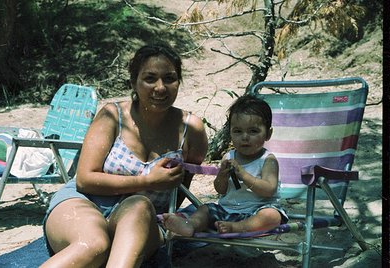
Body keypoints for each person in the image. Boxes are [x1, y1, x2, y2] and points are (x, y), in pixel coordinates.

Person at [41, 43, 208, 267]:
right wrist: (147, 181)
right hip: (85, 204)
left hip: (141, 218)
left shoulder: (192, 129)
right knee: (93, 245)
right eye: (150, 78)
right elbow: (85, 179)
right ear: (134, 82)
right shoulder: (112, 116)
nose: (160, 87)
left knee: (139, 204)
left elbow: (177, 194)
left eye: (169, 78)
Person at [162, 95, 288, 236]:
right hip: (227, 211)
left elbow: (269, 190)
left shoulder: (268, 160)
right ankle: (190, 225)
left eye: (253, 131)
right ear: (230, 133)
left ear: (268, 134)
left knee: (272, 216)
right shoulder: (229, 157)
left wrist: (244, 176)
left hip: (258, 210)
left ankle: (236, 227)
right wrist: (222, 175)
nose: (245, 137)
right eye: (238, 131)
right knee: (205, 209)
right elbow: (221, 190)